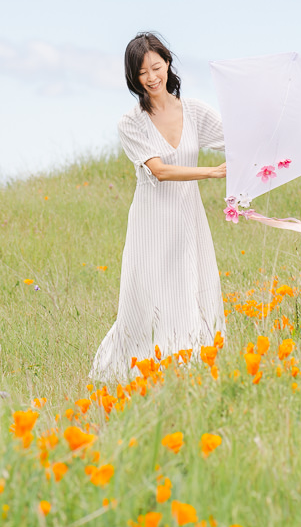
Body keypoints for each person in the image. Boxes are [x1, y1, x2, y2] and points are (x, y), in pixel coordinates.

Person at [91, 32, 227, 380]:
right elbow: (160, 170)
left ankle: (189, 364)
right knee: (146, 296)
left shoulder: (195, 112)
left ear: (168, 64)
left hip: (188, 216)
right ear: (133, 78)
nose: (151, 77)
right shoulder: (131, 122)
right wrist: (211, 172)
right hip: (151, 221)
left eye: (156, 67)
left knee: (189, 284)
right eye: (142, 72)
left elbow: (236, 141)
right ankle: (131, 370)